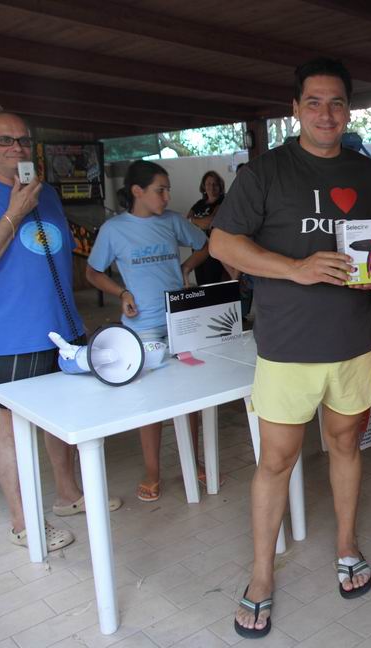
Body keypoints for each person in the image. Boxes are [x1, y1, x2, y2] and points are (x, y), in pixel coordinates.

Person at [209, 58, 371, 639]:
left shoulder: (367, 174)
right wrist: (296, 268)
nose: (325, 114)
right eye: (314, 102)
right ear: (295, 109)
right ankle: (261, 575)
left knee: (346, 445)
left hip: (355, 340)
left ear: (349, 110)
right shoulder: (266, 172)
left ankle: (347, 546)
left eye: (336, 103)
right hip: (287, 347)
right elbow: (223, 244)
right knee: (276, 461)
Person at [0, 108, 121, 551]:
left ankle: (68, 495)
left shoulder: (48, 194)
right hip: (11, 335)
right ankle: (23, 522)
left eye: (22, 139)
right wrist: (14, 213)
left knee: (64, 417)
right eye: (4, 139)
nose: (16, 147)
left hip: (63, 328)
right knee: (13, 427)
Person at [86, 161, 210, 502]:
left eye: (167, 189)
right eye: (160, 190)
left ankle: (193, 460)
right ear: (137, 191)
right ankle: (152, 471)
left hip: (179, 320)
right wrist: (121, 292)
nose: (167, 197)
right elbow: (93, 272)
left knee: (190, 396)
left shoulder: (173, 222)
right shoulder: (114, 230)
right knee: (149, 402)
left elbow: (205, 244)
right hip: (141, 327)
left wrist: (186, 267)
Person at [187, 170, 229, 286]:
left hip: (214, 250)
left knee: (214, 284)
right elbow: (186, 223)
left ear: (220, 186)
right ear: (204, 186)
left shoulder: (223, 201)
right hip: (197, 249)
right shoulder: (199, 203)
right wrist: (195, 222)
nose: (212, 187)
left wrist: (194, 221)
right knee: (201, 283)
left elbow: (211, 222)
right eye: (208, 184)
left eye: (215, 184)